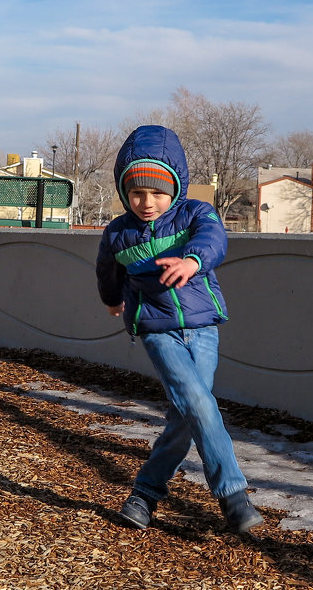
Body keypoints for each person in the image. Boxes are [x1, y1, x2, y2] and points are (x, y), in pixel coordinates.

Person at [96, 125, 263, 533]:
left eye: (157, 192)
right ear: (123, 191)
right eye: (136, 193)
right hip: (156, 328)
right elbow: (107, 270)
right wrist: (113, 299)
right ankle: (233, 497)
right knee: (198, 404)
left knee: (188, 415)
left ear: (175, 187)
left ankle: (145, 494)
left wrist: (191, 261)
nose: (147, 203)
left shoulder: (195, 214)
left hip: (203, 327)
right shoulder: (118, 231)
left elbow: (214, 239)